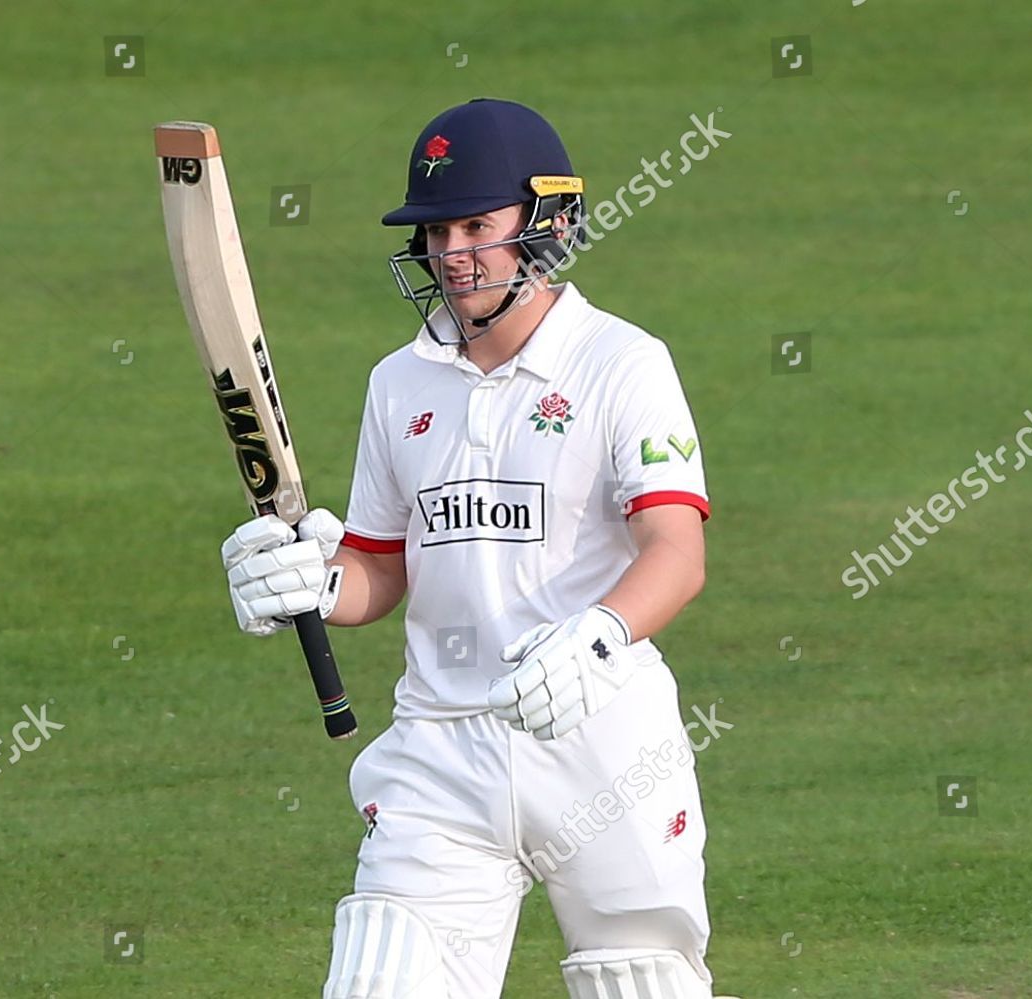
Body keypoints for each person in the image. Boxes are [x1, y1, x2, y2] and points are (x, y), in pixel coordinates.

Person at [220, 98, 734, 999]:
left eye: (476, 225)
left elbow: (674, 551)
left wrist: (599, 635)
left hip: (603, 739)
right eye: (434, 230)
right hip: (442, 748)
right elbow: (381, 569)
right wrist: (309, 579)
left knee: (640, 979)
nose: (452, 253)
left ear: (549, 222)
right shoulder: (399, 382)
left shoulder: (624, 364)